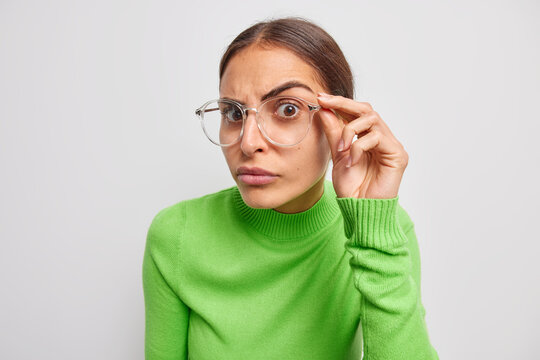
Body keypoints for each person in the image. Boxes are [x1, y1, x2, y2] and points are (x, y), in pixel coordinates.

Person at [142, 17, 439, 360]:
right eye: (233, 113)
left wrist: (373, 230)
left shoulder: (384, 229)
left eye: (287, 109)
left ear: (340, 120)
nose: (249, 142)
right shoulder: (177, 235)